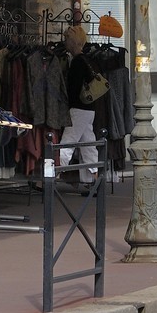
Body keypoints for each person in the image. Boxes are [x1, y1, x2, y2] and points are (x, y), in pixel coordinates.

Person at [59, 26, 101, 194]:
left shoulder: (77, 62)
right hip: (89, 108)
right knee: (88, 144)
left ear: (73, 41)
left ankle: (50, 177)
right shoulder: (87, 60)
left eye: (67, 39)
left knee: (66, 143)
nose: (65, 42)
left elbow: (73, 89)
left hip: (78, 108)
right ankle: (94, 181)